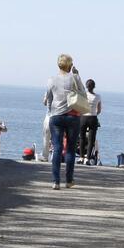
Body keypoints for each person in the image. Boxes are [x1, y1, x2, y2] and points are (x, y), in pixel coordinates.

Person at [44, 54, 84, 189]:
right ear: (70, 65)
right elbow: (83, 94)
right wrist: (78, 76)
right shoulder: (74, 77)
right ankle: (69, 180)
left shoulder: (51, 79)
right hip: (73, 116)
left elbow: (49, 98)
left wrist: (50, 112)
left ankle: (55, 181)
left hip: (56, 116)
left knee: (57, 148)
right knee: (71, 149)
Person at [79, 79, 102, 165]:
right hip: (93, 118)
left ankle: (81, 157)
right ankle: (87, 158)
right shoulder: (98, 96)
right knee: (91, 140)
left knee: (82, 138)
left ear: (86, 86)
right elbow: (99, 110)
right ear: (94, 87)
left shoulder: (83, 95)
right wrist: (95, 114)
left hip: (83, 117)